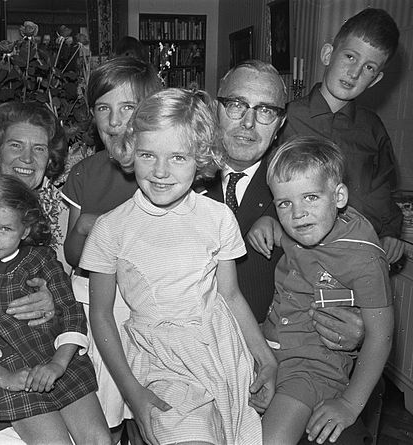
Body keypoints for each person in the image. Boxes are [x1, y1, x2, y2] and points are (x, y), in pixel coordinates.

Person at [81, 88, 277, 445]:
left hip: (222, 353)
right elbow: (102, 317)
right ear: (130, 151)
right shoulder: (111, 228)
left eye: (177, 158)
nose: (159, 172)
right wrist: (133, 394)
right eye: (147, 155)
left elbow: (229, 296)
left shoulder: (218, 218)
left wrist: (266, 358)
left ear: (200, 157)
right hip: (161, 362)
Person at [198, 60, 369, 443]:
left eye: (265, 111)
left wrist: (357, 329)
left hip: (284, 366)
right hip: (195, 366)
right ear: (215, 107)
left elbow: (355, 268)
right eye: (237, 104)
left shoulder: (303, 189)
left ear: (280, 123)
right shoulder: (174, 176)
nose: (247, 122)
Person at [0, 175, 110, 444]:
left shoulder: (41, 259)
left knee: (99, 439)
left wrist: (58, 364)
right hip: (9, 375)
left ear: (26, 230)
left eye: (5, 229)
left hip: (59, 361)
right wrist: (6, 378)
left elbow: (71, 313)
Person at [261, 136, 393, 444]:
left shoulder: (364, 258)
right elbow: (289, 235)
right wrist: (266, 224)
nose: (297, 214)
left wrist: (349, 404)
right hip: (268, 349)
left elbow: (381, 336)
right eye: (284, 203)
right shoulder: (305, 225)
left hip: (311, 367)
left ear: (339, 196)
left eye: (310, 198)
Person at [60, 56, 162, 440]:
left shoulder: (166, 174)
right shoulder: (85, 173)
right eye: (104, 108)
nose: (115, 121)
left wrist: (103, 228)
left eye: (128, 108)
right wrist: (88, 225)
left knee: (152, 418)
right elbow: (72, 254)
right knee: (107, 416)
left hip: (148, 311)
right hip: (94, 309)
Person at [277, 8, 404, 264]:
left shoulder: (372, 128)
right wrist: (266, 218)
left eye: (368, 67)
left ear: (376, 79)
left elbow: (382, 189)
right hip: (295, 257)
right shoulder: (287, 118)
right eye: (350, 56)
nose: (354, 73)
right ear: (327, 54)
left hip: (355, 260)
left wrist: (391, 232)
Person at [0, 100, 71, 273]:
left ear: (50, 158)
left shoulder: (63, 211)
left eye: (38, 149)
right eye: (16, 145)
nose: (27, 158)